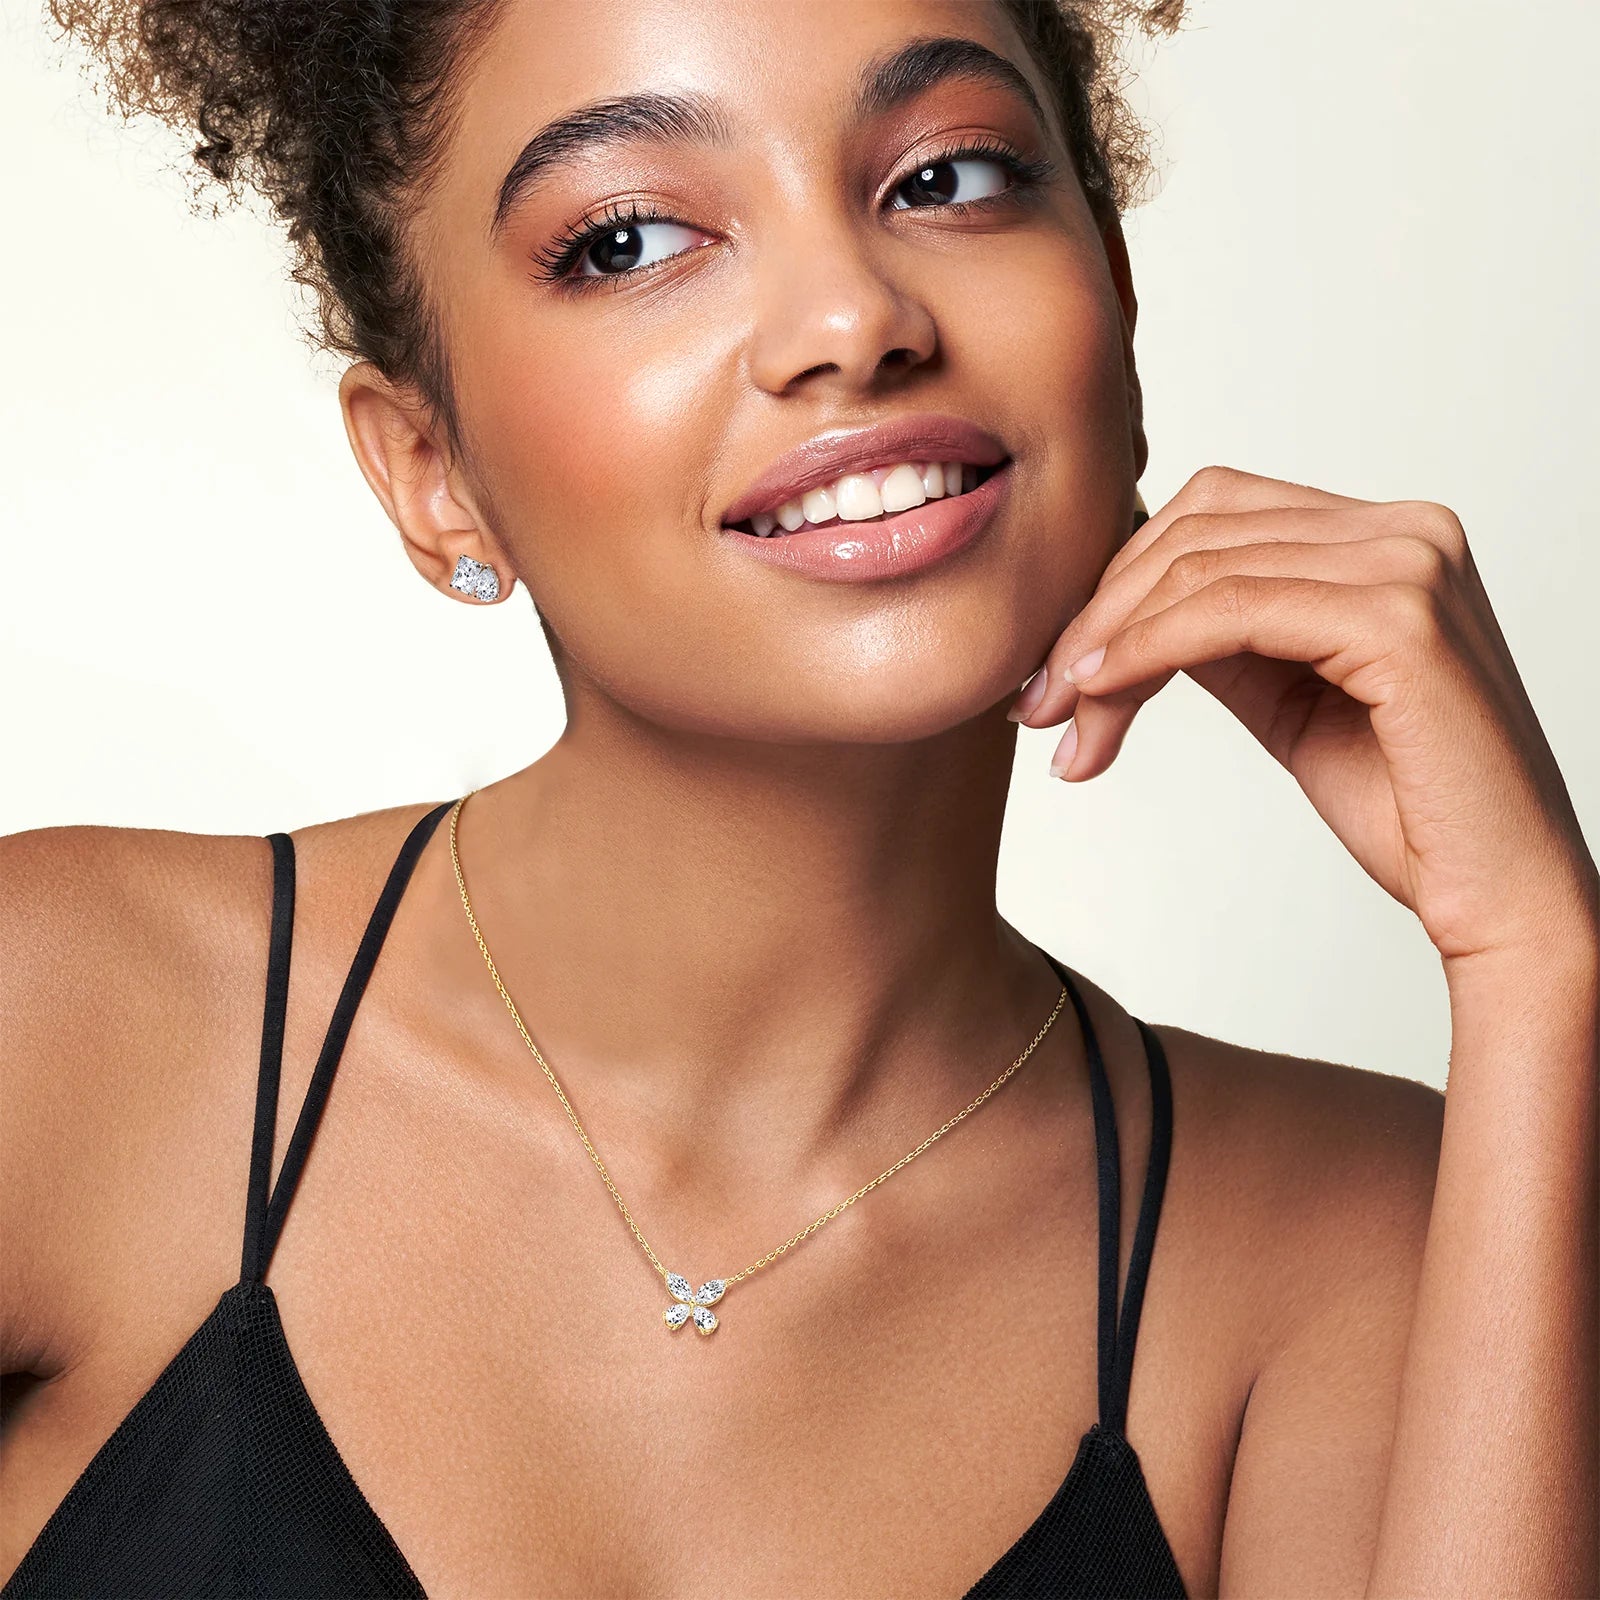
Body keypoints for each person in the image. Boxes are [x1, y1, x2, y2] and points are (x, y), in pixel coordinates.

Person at [2, 1, 1595, 1595]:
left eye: (950, 179)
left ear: (1114, 293)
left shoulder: (1361, 1242)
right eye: (627, 238)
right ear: (429, 468)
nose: (852, 317)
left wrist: (1535, 965)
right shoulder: (71, 1023)